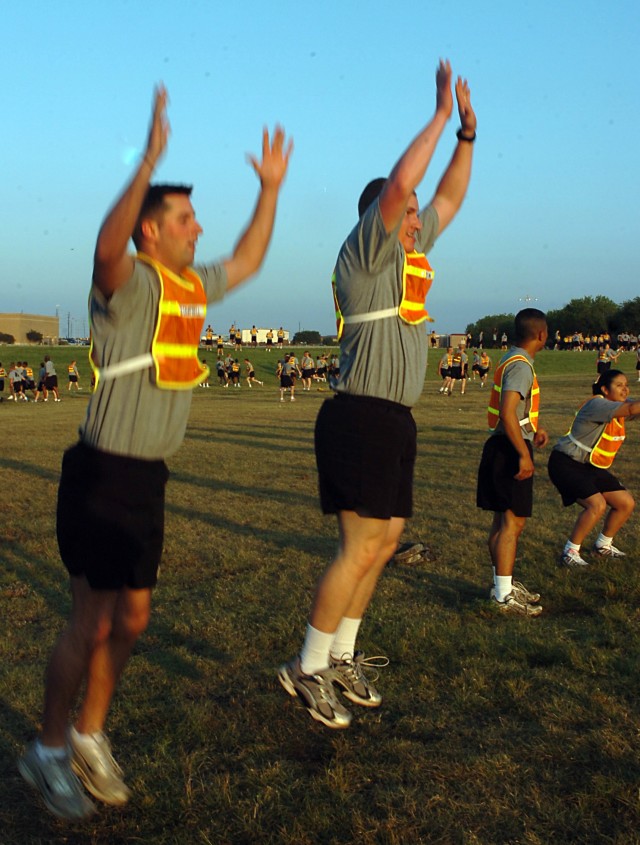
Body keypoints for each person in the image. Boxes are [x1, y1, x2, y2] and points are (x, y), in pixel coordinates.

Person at [18, 85, 292, 820]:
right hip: (105, 471)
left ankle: (90, 733)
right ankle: (46, 750)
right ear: (151, 231)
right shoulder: (128, 283)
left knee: (133, 619)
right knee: (92, 620)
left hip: (150, 477)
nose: (198, 226)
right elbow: (105, 248)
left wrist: (269, 190)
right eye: (184, 217)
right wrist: (146, 162)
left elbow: (250, 256)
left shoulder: (191, 287)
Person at [278, 59, 475, 729]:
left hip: (396, 417)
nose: (420, 217)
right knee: (359, 545)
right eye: (408, 211)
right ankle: (306, 665)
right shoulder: (365, 253)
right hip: (358, 413)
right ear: (381, 218)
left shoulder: (410, 258)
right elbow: (403, 186)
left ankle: (342, 654)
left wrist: (467, 141)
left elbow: (448, 195)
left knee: (386, 540)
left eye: (418, 214)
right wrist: (440, 116)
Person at [476, 309, 549, 616]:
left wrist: (533, 428)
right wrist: (523, 453)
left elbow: (515, 414)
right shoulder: (521, 366)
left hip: (500, 444)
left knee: (501, 520)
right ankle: (503, 595)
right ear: (541, 335)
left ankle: (501, 584)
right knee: (512, 523)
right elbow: (508, 413)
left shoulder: (511, 358)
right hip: (508, 449)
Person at [548, 370, 639, 567]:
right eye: (619, 385)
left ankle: (603, 546)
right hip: (565, 463)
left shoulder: (617, 405)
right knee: (596, 505)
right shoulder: (598, 404)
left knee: (625, 503)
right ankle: (570, 552)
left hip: (589, 466)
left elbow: (634, 408)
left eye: (626, 385)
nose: (625, 389)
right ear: (605, 389)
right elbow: (632, 409)